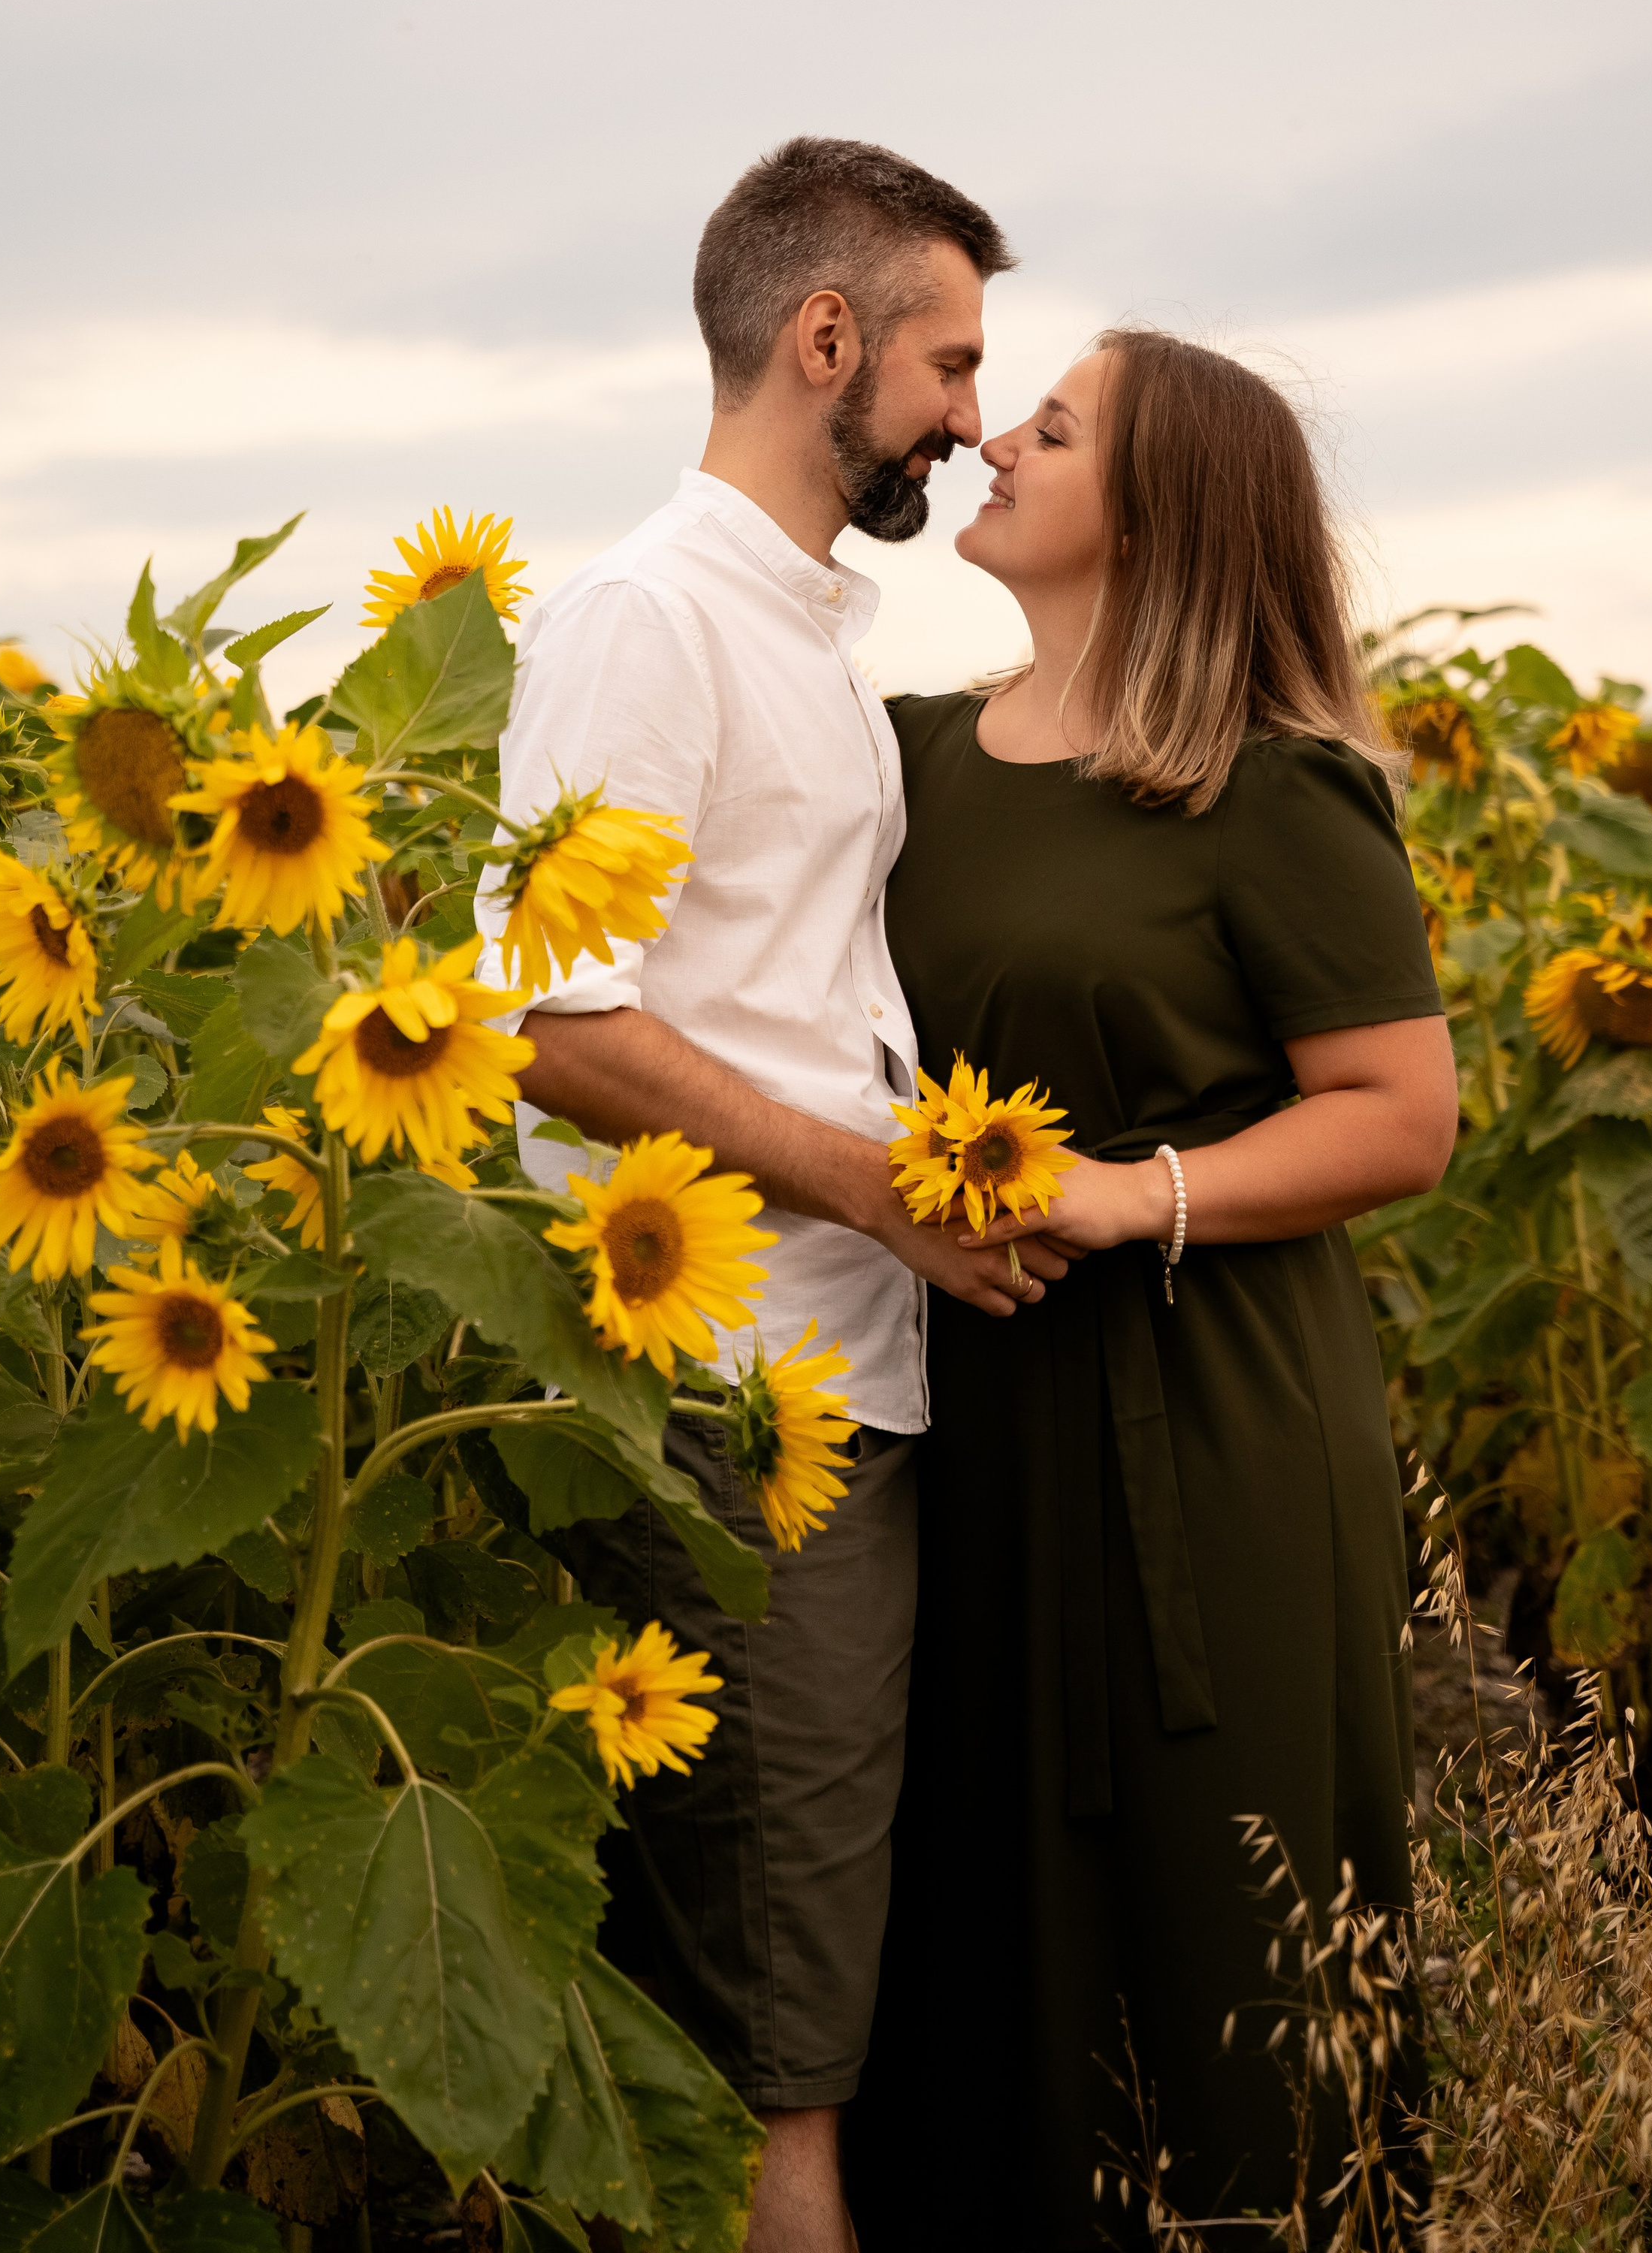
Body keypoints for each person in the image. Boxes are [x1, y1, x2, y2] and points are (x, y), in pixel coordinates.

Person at [481, 136, 1066, 2253]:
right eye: (952, 360)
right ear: (825, 339)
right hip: (736, 1396)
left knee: (806, 2007)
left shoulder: (804, 628)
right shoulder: (652, 619)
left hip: (837, 1387)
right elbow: (554, 1021)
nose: (973, 419)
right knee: (776, 2072)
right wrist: (879, 1193)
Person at [847, 329, 1460, 2249]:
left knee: (1216, 1913)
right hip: (955, 1410)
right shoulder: (915, 756)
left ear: (1167, 506)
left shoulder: (1263, 790)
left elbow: (1397, 1116)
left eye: (1050, 425)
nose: (991, 442)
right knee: (973, 1919)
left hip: (1201, 1423)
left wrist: (1130, 1198)